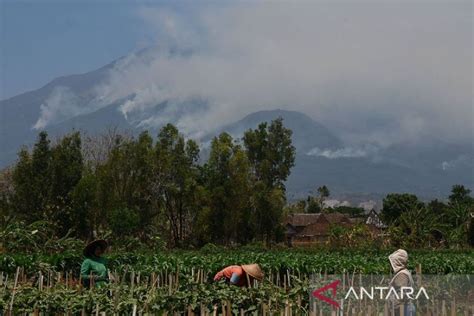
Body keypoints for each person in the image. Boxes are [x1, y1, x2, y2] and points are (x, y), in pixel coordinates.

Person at [388, 249, 416, 316]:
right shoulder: (404, 273)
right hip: (405, 308)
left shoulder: (402, 275)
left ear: (397, 262)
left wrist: (392, 306)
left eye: (392, 262)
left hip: (404, 309)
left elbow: (401, 294)